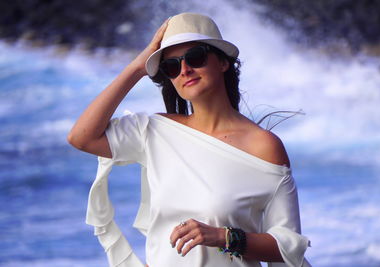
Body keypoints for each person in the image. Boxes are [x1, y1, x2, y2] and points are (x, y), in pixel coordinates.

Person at [68, 12, 311, 267]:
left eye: (196, 57)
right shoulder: (153, 131)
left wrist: (222, 236)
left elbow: (288, 247)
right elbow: (82, 137)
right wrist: (138, 68)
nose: (185, 70)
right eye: (171, 66)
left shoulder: (263, 146)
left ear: (223, 62)